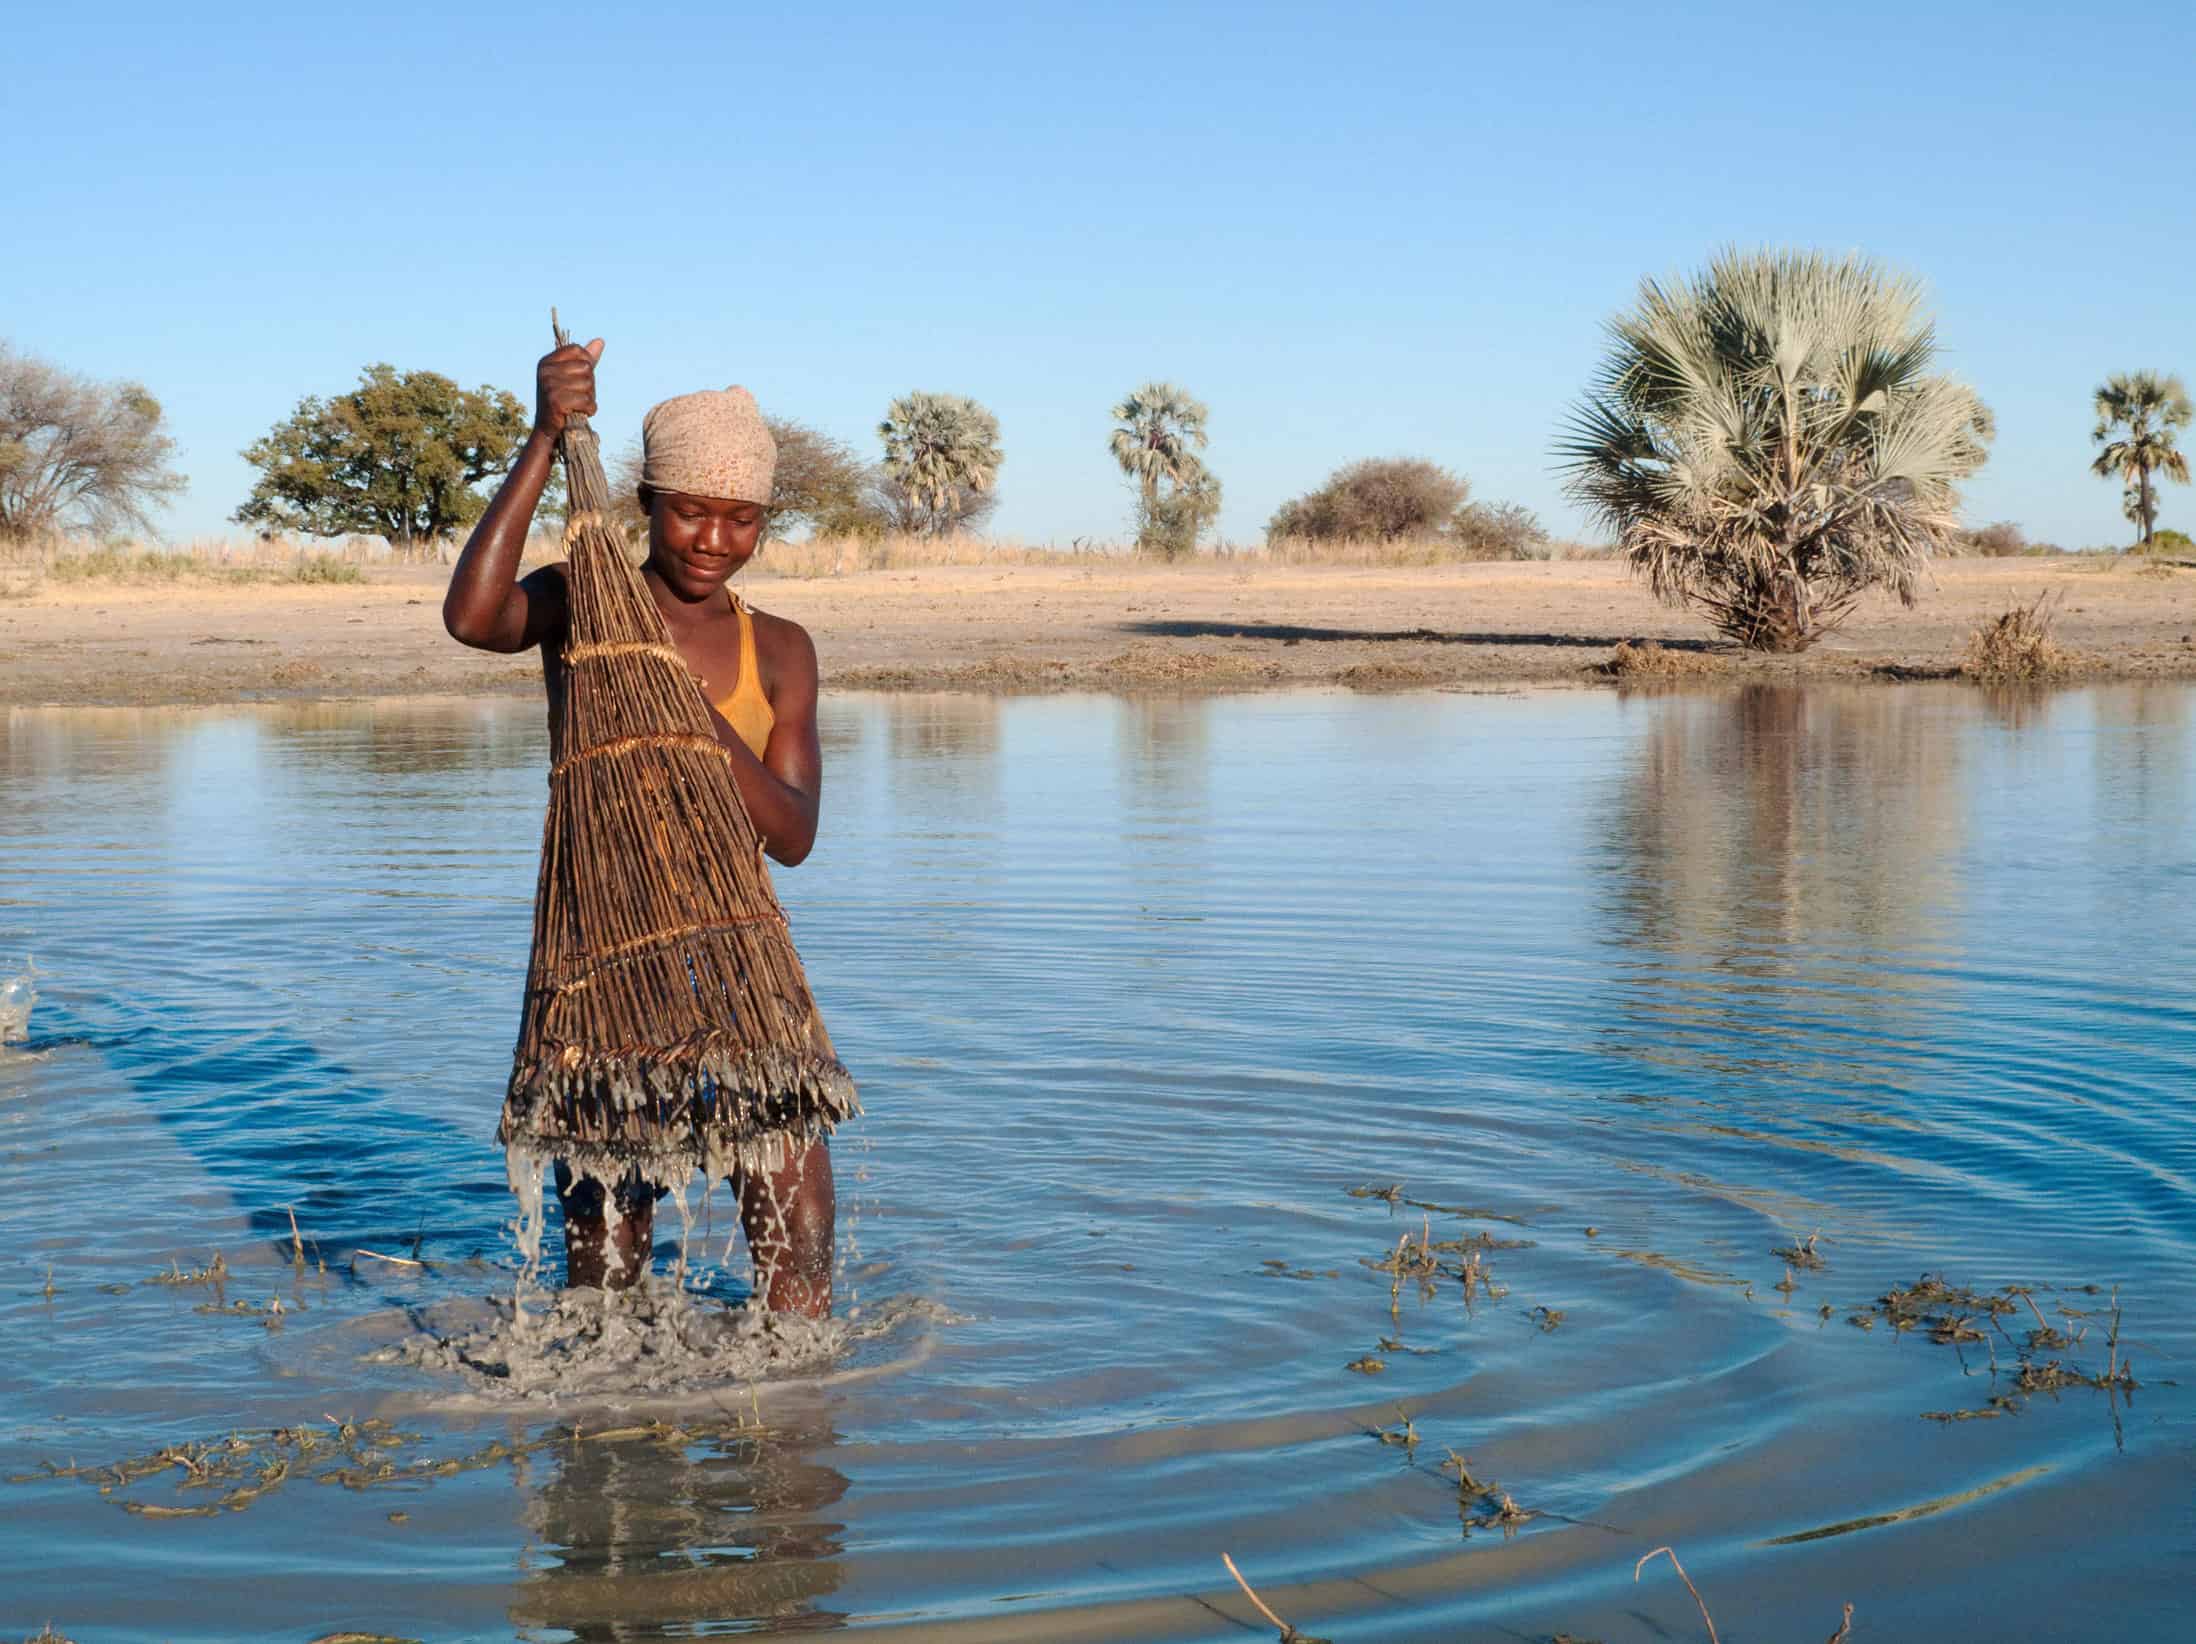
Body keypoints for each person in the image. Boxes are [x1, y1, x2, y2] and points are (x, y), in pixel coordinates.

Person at [443, 337, 834, 1315]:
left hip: (739, 971)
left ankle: (793, 1439)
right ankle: (614, 1439)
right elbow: (474, 616)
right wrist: (542, 438)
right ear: (646, 507)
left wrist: (686, 711)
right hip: (607, 974)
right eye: (691, 511)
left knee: (801, 1267)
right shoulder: (582, 603)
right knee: (607, 1288)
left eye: (740, 520)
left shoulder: (779, 649)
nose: (712, 540)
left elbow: (791, 833)